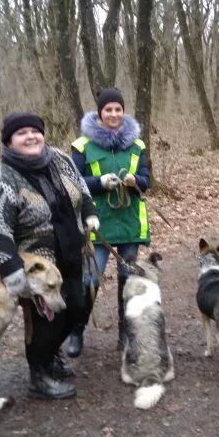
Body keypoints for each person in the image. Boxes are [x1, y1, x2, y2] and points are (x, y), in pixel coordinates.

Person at [0, 112, 99, 399]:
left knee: (78, 306)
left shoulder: (60, 159)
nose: (31, 137)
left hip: (73, 251)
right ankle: (39, 373)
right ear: (9, 141)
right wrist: (11, 270)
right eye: (21, 133)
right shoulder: (3, 177)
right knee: (46, 320)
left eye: (35, 131)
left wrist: (90, 214)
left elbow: (82, 191)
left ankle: (51, 357)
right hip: (37, 263)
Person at [67, 87, 151, 356]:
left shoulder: (137, 145)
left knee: (128, 283)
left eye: (118, 109)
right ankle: (77, 331)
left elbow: (146, 181)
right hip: (96, 225)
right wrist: (100, 183)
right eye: (108, 110)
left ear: (123, 112)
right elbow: (73, 183)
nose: (113, 114)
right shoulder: (81, 146)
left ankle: (125, 335)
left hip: (129, 225)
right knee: (90, 280)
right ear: (100, 113)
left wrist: (135, 181)